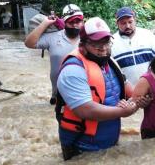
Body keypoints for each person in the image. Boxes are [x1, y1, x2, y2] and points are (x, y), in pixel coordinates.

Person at [56, 17, 138, 160]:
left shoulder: (110, 61)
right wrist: (123, 112)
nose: (103, 48)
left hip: (109, 141)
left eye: (106, 42)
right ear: (83, 44)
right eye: (96, 43)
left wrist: (139, 99)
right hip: (82, 146)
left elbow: (129, 89)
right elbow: (85, 110)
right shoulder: (73, 69)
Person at [24, 4, 84, 105]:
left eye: (78, 21)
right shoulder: (53, 37)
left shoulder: (88, 38)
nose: (74, 25)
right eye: (71, 22)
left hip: (81, 89)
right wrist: (45, 23)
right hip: (58, 91)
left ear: (83, 21)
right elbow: (29, 43)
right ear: (64, 22)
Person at [111, 7, 155, 86]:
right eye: (123, 23)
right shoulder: (112, 42)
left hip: (152, 89)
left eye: (130, 22)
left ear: (135, 20)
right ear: (117, 24)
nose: (127, 26)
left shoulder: (147, 36)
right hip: (127, 94)